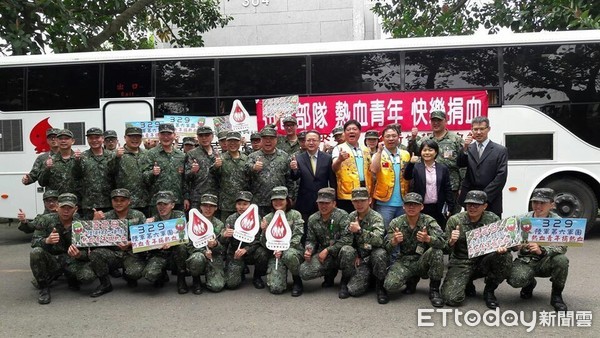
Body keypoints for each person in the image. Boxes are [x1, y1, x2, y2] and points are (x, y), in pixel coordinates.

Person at [441, 190, 512, 309]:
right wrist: (451, 241)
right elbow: (444, 249)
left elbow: (506, 241)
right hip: (461, 262)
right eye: (469, 204)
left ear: (485, 206)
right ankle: (467, 282)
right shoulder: (455, 220)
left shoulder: (492, 219)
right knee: (451, 298)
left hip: (484, 260)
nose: (472, 207)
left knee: (505, 257)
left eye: (476, 205)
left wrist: (503, 248)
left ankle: (489, 291)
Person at [507, 188, 569, 311]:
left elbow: (562, 246)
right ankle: (529, 283)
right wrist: (515, 245)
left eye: (542, 203)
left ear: (552, 204)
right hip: (526, 260)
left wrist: (542, 250)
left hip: (546, 260)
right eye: (535, 202)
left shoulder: (558, 222)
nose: (538, 206)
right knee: (514, 280)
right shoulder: (522, 219)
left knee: (562, 260)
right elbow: (508, 240)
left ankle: (556, 295)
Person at [30, 193, 95, 304]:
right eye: (63, 207)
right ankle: (44, 288)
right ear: (56, 207)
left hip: (72, 261)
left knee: (88, 277)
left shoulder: (81, 224)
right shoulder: (45, 220)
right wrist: (47, 241)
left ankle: (70, 276)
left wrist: (79, 255)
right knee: (36, 252)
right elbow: (34, 242)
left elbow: (89, 251)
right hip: (53, 260)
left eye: (69, 208)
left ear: (76, 209)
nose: (66, 211)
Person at [383, 193, 445, 307]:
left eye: (415, 205)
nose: (411, 207)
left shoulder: (429, 221)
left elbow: (443, 243)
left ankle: (434, 290)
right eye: (408, 204)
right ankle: (411, 281)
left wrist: (428, 239)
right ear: (403, 206)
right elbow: (386, 247)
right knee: (389, 285)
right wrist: (394, 241)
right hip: (404, 261)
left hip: (423, 260)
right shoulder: (396, 222)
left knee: (437, 252)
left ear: (421, 207)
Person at [89, 188, 146, 297]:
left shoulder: (138, 216)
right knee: (95, 254)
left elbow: (145, 239)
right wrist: (95, 221)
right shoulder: (104, 217)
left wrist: (129, 243)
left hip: (132, 253)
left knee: (135, 273)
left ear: (129, 201)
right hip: (113, 253)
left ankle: (128, 274)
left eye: (122, 200)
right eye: (116, 200)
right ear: (111, 202)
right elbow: (91, 239)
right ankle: (105, 284)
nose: (119, 203)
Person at [124, 191, 185, 288]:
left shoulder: (179, 215)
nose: (162, 207)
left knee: (181, 247)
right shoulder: (152, 220)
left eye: (165, 204)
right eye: (159, 204)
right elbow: (144, 242)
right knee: (150, 275)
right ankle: (161, 274)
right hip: (160, 254)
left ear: (172, 205)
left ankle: (181, 278)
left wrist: (172, 243)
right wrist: (145, 228)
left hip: (176, 253)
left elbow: (182, 235)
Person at [408, 111, 464, 214]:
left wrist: (462, 187)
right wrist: (413, 139)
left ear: (445, 121)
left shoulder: (456, 140)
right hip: (428, 189)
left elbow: (463, 165)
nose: (436, 123)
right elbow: (413, 153)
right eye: (433, 120)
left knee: (450, 216)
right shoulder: (426, 139)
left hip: (451, 188)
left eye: (439, 120)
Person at [338, 187, 388, 304]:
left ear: (369, 201)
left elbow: (378, 241)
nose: (359, 204)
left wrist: (360, 231)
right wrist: (355, 254)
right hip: (360, 259)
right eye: (356, 201)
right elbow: (346, 239)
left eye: (362, 200)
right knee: (353, 290)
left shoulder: (376, 217)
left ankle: (381, 287)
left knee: (380, 253)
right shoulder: (351, 216)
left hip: (373, 256)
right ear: (352, 202)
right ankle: (344, 282)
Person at [299, 187, 351, 289]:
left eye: (327, 203)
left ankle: (345, 281)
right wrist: (309, 250)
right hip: (324, 256)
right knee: (304, 271)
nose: (323, 206)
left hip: (340, 253)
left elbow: (347, 239)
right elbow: (311, 239)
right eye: (321, 203)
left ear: (334, 203)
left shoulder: (342, 216)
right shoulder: (313, 219)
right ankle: (330, 274)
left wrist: (328, 250)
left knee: (348, 251)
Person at [174, 194, 226, 295]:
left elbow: (222, 248)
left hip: (213, 256)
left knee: (216, 286)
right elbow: (188, 245)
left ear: (216, 208)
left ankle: (209, 275)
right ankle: (195, 279)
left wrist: (215, 245)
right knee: (197, 258)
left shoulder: (219, 224)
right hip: (197, 254)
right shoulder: (191, 224)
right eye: (205, 205)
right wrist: (203, 251)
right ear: (200, 207)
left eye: (211, 206)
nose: (208, 209)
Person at [457, 116, 508, 217]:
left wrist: (484, 197)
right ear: (471, 130)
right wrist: (465, 148)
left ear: (488, 129)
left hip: (491, 200)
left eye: (482, 129)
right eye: (475, 129)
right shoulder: (469, 148)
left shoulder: (500, 150)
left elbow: (501, 176)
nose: (478, 132)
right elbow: (460, 164)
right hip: (470, 199)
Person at [259, 187, 304, 296]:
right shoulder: (268, 218)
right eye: (275, 200)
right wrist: (264, 231)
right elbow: (263, 242)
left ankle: (297, 281)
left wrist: (283, 249)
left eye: (281, 199)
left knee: (289, 255)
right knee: (276, 289)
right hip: (275, 254)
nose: (278, 202)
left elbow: (297, 236)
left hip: (292, 251)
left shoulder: (295, 215)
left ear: (287, 201)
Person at [222, 191, 269, 290]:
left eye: (245, 204)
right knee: (231, 284)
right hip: (235, 252)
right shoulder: (231, 219)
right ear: (235, 205)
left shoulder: (256, 218)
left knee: (263, 253)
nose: (241, 207)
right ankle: (240, 270)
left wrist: (246, 249)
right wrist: (225, 235)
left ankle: (257, 277)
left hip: (251, 251)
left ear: (250, 205)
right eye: (239, 204)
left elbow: (258, 240)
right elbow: (224, 243)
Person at [404, 139, 454, 229]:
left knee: (437, 232)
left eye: (430, 150)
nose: (427, 153)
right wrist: (411, 163)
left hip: (438, 207)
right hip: (420, 207)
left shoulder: (442, 168)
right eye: (424, 150)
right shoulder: (416, 167)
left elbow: (447, 188)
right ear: (421, 152)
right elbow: (407, 177)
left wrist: (450, 207)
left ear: (436, 152)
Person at [290, 130, 336, 228]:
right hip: (304, 200)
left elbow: (332, 181)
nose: (311, 143)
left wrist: (333, 198)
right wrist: (294, 170)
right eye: (308, 140)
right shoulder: (298, 158)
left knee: (324, 226)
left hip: (324, 200)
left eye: (314, 140)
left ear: (319, 141)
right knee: (306, 227)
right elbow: (294, 177)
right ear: (305, 142)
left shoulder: (327, 158)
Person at [370, 124, 411, 229]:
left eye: (394, 136)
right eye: (388, 136)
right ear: (383, 138)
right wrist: (379, 151)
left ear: (399, 137)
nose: (391, 138)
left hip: (403, 202)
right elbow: (373, 170)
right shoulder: (378, 154)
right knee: (385, 231)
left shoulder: (406, 154)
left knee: (401, 233)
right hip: (384, 203)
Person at [246, 127, 294, 216]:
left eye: (271, 138)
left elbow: (290, 179)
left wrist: (290, 196)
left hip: (280, 202)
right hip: (259, 202)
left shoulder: (284, 156)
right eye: (265, 138)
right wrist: (253, 168)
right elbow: (245, 176)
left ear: (276, 140)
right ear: (261, 140)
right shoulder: (252, 157)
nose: (268, 141)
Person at [73, 127, 116, 219]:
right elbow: (76, 176)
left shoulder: (112, 155)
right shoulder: (82, 157)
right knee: (90, 230)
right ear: (87, 140)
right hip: (89, 204)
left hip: (109, 202)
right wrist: (76, 161)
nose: (94, 140)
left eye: (97, 137)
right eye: (91, 138)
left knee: (109, 230)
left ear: (103, 139)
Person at [331, 120, 373, 213]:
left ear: (359, 132)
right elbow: (334, 168)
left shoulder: (365, 149)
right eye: (348, 129)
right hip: (347, 193)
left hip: (364, 190)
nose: (351, 131)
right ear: (344, 133)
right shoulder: (338, 148)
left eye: (354, 129)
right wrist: (339, 159)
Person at [142, 123, 185, 211]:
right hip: (158, 201)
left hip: (177, 201)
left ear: (174, 135)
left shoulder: (181, 155)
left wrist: (186, 198)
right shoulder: (150, 154)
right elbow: (143, 176)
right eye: (163, 134)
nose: (166, 137)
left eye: (169, 134)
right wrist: (152, 173)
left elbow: (185, 180)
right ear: (158, 135)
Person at [114, 126, 150, 216]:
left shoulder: (147, 154)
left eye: (138, 137)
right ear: (125, 138)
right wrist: (116, 157)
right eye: (131, 137)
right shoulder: (117, 154)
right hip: (124, 202)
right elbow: (109, 171)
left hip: (145, 202)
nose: (135, 139)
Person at [184, 126, 221, 211]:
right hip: (197, 197)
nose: (204, 138)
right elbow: (185, 178)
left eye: (207, 135)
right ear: (197, 137)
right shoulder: (191, 154)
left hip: (215, 196)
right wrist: (192, 171)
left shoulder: (218, 153)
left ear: (212, 136)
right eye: (201, 136)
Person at [215, 131, 249, 223]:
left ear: (240, 142)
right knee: (227, 231)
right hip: (226, 203)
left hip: (243, 203)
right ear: (226, 142)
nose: (233, 144)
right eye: (230, 141)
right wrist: (216, 166)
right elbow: (213, 176)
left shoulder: (246, 159)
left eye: (235, 141)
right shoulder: (220, 158)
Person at [38, 129, 80, 197]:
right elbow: (42, 183)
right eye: (60, 139)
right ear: (57, 141)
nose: (63, 141)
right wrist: (47, 169)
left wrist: (78, 162)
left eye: (66, 138)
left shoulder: (80, 158)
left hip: (75, 201)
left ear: (73, 141)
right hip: (56, 202)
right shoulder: (49, 160)